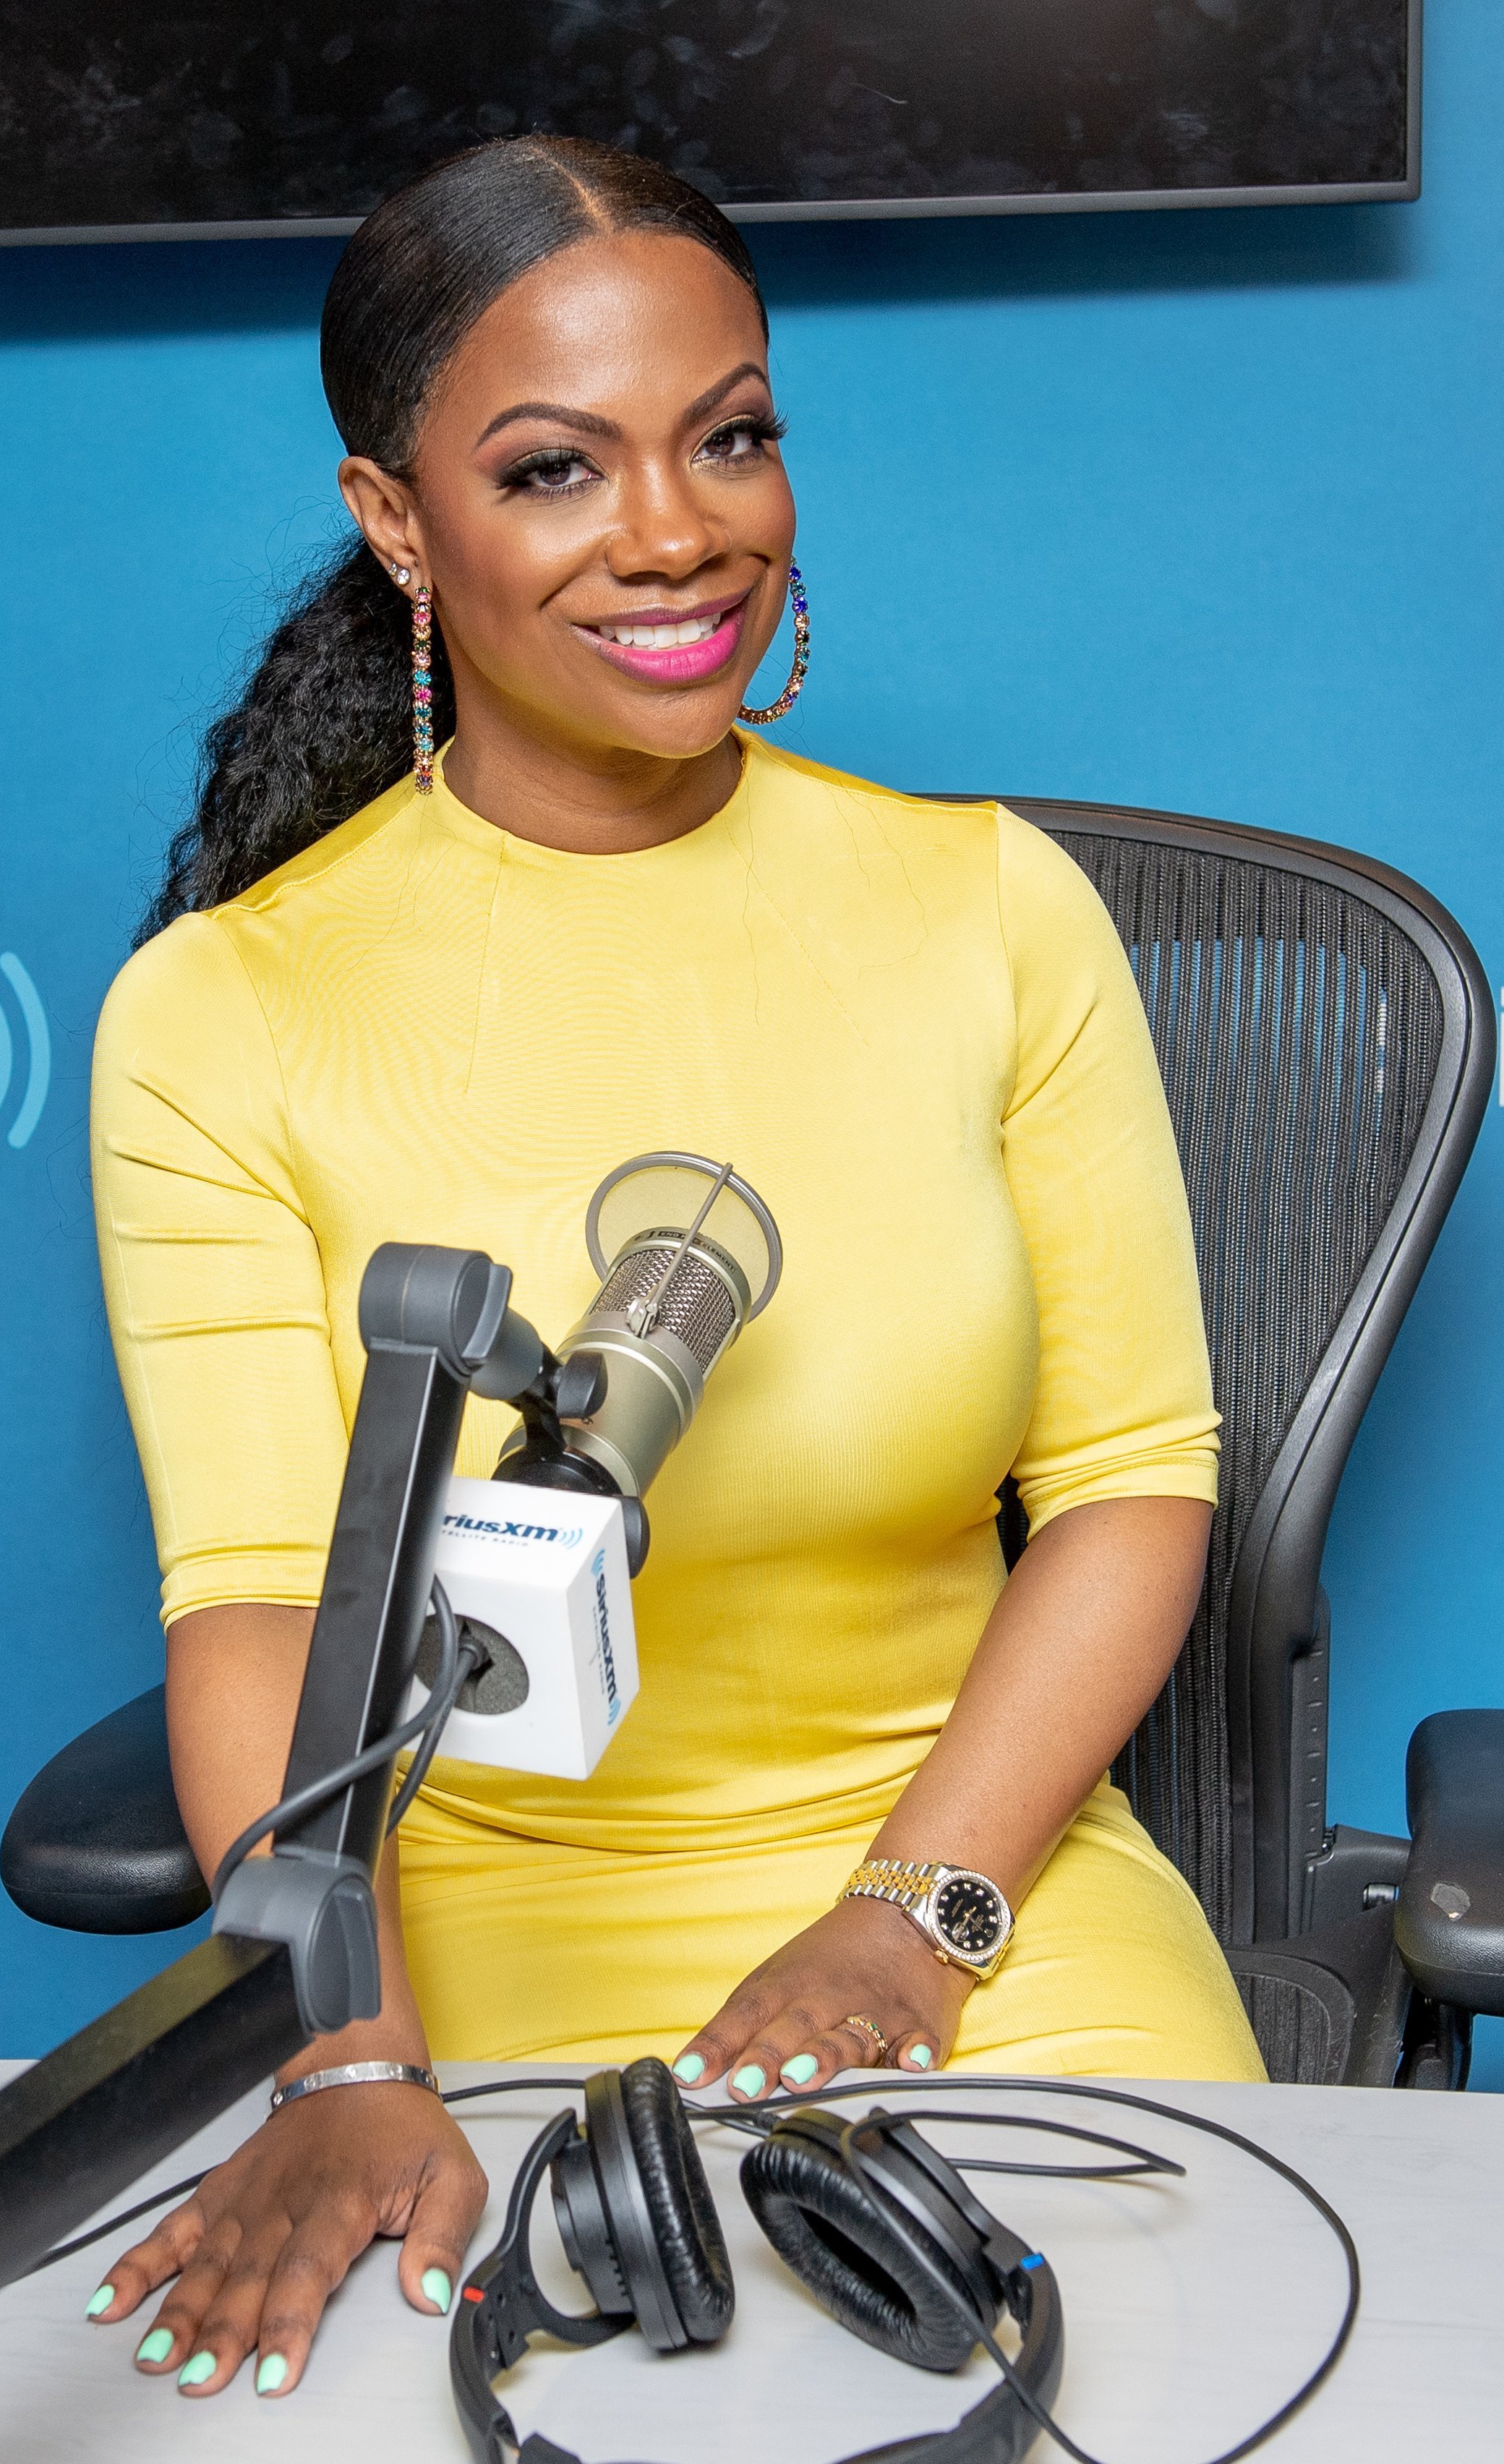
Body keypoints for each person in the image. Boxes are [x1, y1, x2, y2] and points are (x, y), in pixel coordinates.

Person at [81, 134, 1258, 2405]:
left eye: (729, 434)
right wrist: (341, 2060)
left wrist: (913, 1925)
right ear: (399, 523)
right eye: (553, 468)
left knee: (1171, 2389)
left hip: (975, 1883)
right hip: (481, 1914)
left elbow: (1128, 1474)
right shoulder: (223, 1014)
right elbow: (249, 1604)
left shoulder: (993, 914)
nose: (673, 530)